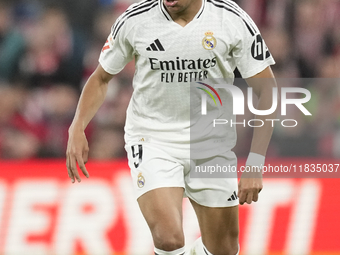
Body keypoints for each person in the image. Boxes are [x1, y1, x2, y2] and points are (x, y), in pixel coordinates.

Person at [66, 0, 277, 254]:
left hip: (211, 143)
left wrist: (255, 161)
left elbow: (267, 91)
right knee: (168, 238)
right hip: (153, 138)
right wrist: (77, 126)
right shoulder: (135, 19)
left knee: (224, 249)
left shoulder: (230, 19)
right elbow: (101, 78)